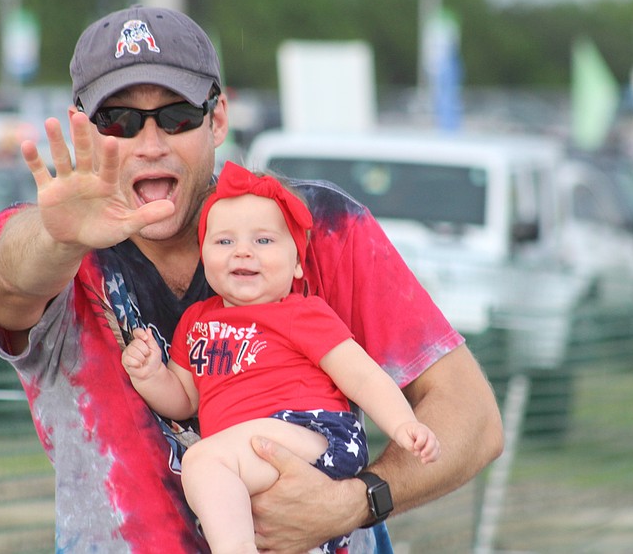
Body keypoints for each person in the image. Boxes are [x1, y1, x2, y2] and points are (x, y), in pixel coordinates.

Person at [0, 4, 503, 554]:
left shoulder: (313, 225)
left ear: (218, 119)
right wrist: (63, 237)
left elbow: (473, 417)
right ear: (83, 127)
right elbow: (9, 289)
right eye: (119, 121)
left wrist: (352, 502)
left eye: (177, 116)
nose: (150, 143)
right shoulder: (50, 243)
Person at [122, 162, 440, 554]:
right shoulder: (196, 322)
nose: (242, 251)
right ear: (204, 258)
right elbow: (184, 399)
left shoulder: (302, 312)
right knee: (224, 483)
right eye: (224, 242)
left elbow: (362, 378)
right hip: (250, 454)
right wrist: (150, 374)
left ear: (296, 264)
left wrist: (403, 423)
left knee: (204, 462)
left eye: (264, 241)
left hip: (315, 434)